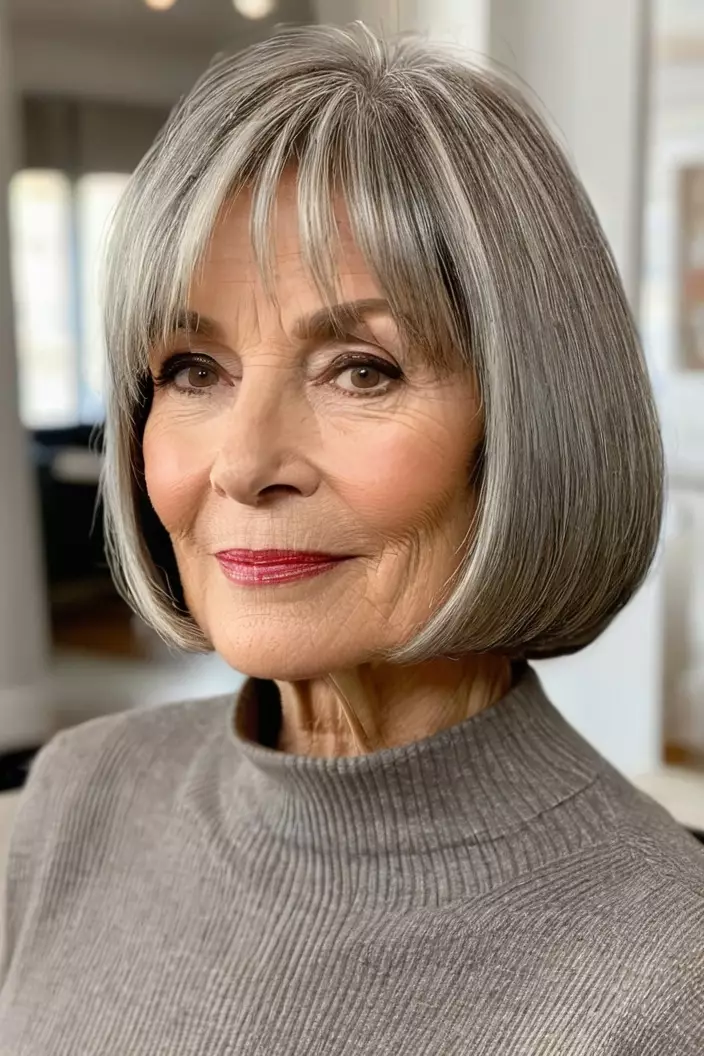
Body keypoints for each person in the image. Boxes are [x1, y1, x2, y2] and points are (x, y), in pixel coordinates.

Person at [1, 21, 702, 1055]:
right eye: (193, 369)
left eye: (361, 370)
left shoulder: (668, 975)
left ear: (528, 425)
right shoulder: (76, 795)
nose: (244, 463)